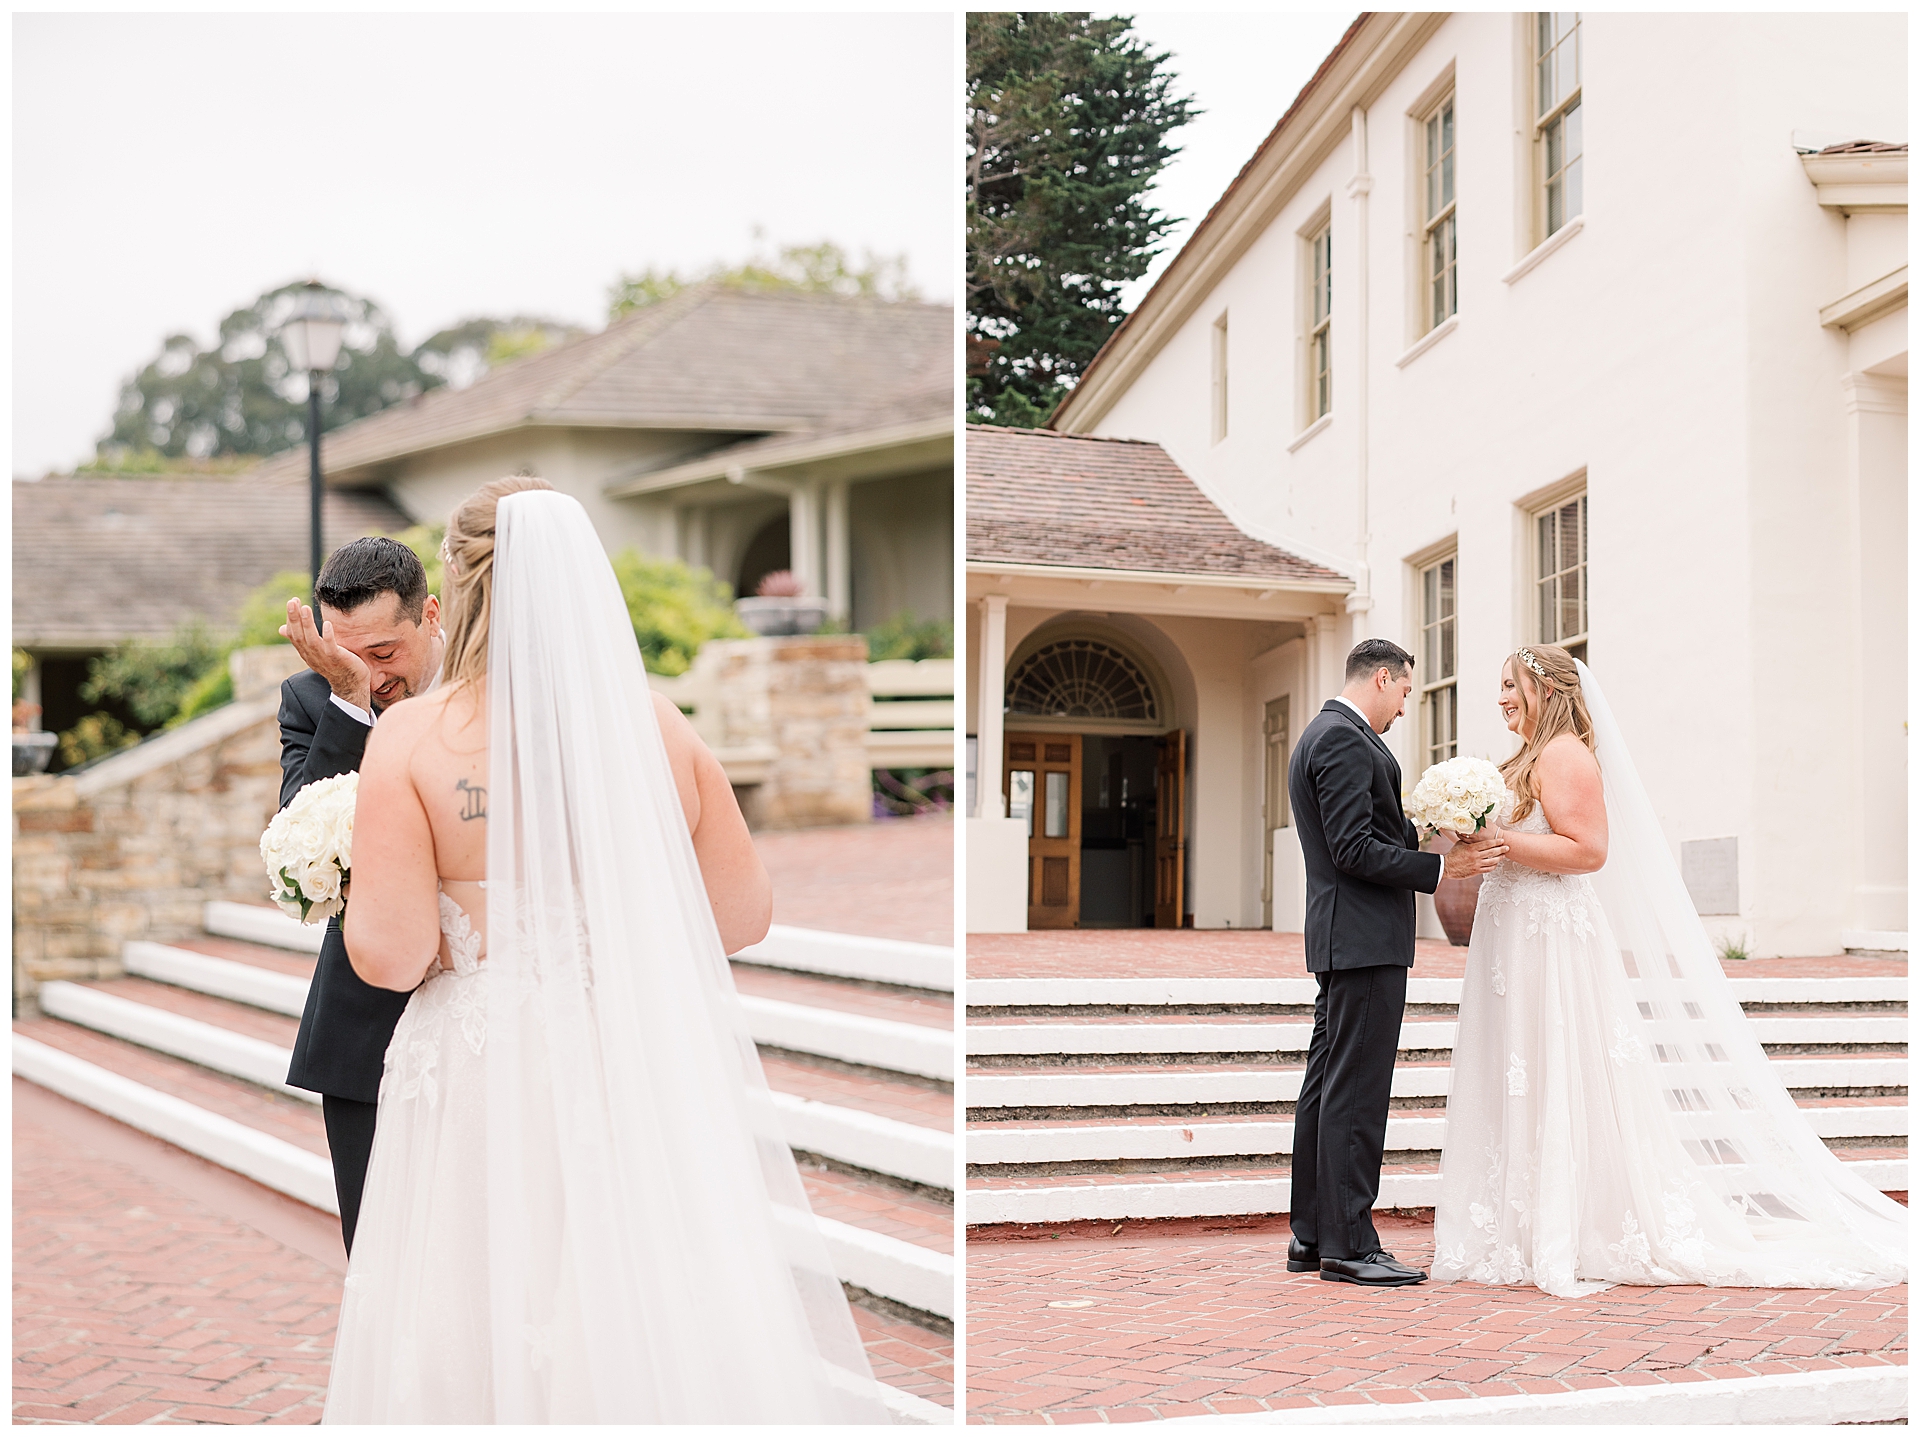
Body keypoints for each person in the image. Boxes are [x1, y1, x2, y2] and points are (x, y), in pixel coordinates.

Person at [322, 478, 885, 1422]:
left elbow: (391, 952)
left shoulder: (414, 736)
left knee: (480, 1310)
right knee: (630, 1301)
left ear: (456, 587)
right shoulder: (655, 725)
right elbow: (742, 914)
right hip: (624, 1051)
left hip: (480, 1069)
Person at [1432, 644, 1907, 1295]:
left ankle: (1567, 1221)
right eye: (1501, 687)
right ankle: (1526, 1217)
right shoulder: (1525, 757)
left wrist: (1500, 840)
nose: (1501, 698)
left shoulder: (1565, 752)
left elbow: (1589, 850)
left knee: (1557, 1066)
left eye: (1511, 686)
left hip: (1551, 938)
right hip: (1515, 937)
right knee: (1525, 1069)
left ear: (1548, 690)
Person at [1286, 639, 1508, 1287]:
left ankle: (1313, 1233)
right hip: (1362, 938)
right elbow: (1353, 848)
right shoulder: (1346, 740)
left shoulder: (1323, 734)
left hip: (1345, 936)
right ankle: (1350, 1244)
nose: (1406, 705)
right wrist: (1442, 866)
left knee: (1327, 1087)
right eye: (1407, 691)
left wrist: (1425, 830)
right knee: (1355, 1092)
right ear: (1383, 678)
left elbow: (1359, 835)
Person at [276, 537, 443, 1253]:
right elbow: (298, 834)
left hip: (487, 1011)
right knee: (381, 1259)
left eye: (381, 655)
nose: (367, 676)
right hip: (362, 1029)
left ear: (430, 615)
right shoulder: (313, 698)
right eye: (344, 656)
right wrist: (345, 699)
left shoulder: (492, 689)